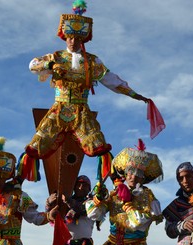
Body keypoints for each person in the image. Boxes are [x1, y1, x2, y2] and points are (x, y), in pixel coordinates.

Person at [22, 1, 150, 181]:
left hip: (81, 110)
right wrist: (50, 65)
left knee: (99, 144)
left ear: (83, 39)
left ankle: (115, 183)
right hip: (59, 109)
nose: (73, 41)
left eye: (77, 38)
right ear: (65, 37)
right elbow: (32, 65)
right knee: (38, 142)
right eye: (70, 37)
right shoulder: (57, 56)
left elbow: (111, 80)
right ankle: (18, 183)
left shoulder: (91, 61)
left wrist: (135, 95)